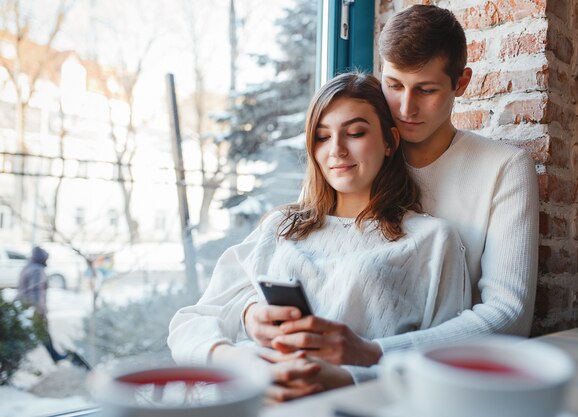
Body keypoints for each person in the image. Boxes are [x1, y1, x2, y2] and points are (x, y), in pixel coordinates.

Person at [243, 4, 539, 371]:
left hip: (439, 372)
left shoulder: (504, 168)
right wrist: (250, 312)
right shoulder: (354, 161)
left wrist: (376, 354)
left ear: (460, 83)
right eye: (394, 85)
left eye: (426, 90)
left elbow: (510, 315)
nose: (405, 107)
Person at [168, 72, 471, 401]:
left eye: (355, 132)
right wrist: (234, 358)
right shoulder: (281, 226)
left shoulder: (432, 240)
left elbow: (448, 364)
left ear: (390, 142)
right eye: (322, 137)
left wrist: (347, 379)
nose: (337, 149)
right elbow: (189, 323)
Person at [17, 246, 91, 369]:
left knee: (41, 335)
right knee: (39, 335)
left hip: (25, 308)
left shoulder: (28, 267)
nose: (47, 261)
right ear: (42, 259)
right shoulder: (37, 270)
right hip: (33, 309)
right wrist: (40, 311)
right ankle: (56, 356)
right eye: (46, 258)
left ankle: (56, 356)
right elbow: (36, 293)